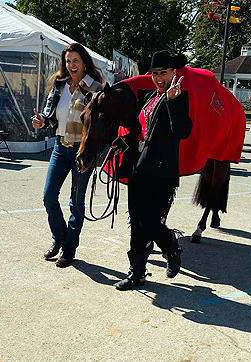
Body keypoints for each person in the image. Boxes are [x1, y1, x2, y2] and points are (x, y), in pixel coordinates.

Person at [114, 50, 193, 290]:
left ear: (174, 73)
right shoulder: (147, 97)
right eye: (155, 74)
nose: (158, 78)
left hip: (161, 172)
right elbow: (140, 130)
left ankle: (170, 246)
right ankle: (137, 272)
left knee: (149, 221)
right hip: (138, 168)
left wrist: (172, 102)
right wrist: (123, 143)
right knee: (136, 221)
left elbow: (182, 132)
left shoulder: (178, 97)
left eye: (163, 73)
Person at [32, 43, 104, 268]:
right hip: (59, 148)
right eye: (68, 61)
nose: (71, 65)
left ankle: (68, 249)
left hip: (82, 152)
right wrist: (41, 121)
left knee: (76, 203)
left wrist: (91, 156)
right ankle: (59, 238)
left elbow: (99, 126)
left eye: (75, 60)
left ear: (84, 63)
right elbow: (49, 114)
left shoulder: (95, 88)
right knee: (48, 197)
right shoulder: (60, 85)